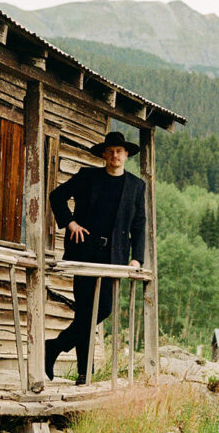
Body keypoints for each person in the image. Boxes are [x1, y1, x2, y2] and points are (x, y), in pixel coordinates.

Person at [45, 131, 146, 384]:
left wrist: (138, 258)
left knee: (103, 309)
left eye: (120, 151)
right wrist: (69, 223)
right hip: (85, 251)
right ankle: (84, 374)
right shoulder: (88, 177)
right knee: (86, 311)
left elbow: (139, 224)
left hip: (115, 257)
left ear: (126, 155)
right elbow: (57, 196)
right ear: (104, 154)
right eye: (110, 151)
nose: (115, 155)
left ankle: (55, 346)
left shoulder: (136, 186)